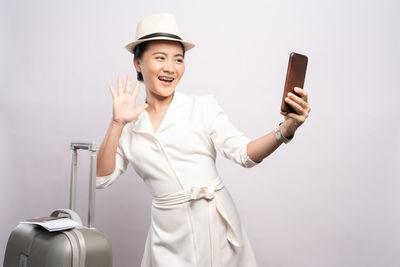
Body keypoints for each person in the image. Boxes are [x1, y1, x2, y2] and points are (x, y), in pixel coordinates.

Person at [96, 13, 310, 267]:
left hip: (216, 227)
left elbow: (245, 153)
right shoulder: (129, 125)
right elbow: (101, 178)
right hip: (168, 238)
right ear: (138, 63)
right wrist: (117, 123)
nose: (170, 68)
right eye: (160, 58)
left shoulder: (202, 107)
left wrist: (286, 129)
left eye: (178, 59)